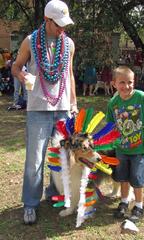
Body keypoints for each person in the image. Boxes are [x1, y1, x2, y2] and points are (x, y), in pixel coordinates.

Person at [12, 0, 77, 225]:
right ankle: (30, 204)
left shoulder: (68, 43)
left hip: (62, 109)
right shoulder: (30, 41)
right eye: (58, 24)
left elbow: (69, 74)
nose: (62, 29)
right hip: (38, 109)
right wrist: (22, 77)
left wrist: (74, 103)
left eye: (64, 24)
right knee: (35, 160)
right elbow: (15, 67)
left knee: (61, 156)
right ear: (47, 20)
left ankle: (53, 192)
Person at [106, 66, 144, 223]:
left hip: (139, 148)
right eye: (122, 82)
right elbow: (111, 127)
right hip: (121, 149)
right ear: (114, 84)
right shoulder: (113, 103)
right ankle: (124, 202)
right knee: (123, 177)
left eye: (130, 82)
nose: (127, 86)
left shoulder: (141, 97)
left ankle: (138, 206)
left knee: (137, 179)